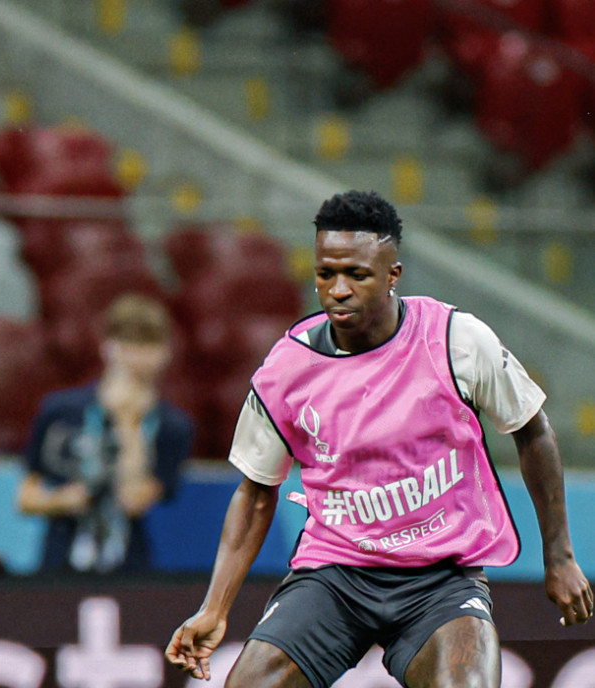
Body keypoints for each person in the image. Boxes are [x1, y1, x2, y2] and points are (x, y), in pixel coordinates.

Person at [166, 190, 593, 687]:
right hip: (335, 575)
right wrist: (215, 608)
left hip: (440, 579)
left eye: (358, 275)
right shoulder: (285, 370)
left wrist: (559, 556)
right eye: (327, 274)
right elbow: (257, 492)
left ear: (393, 275)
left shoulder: (457, 340)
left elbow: (533, 431)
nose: (339, 290)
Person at [19, 294, 194, 573]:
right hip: (59, 562)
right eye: (127, 344)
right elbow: (25, 498)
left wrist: (127, 423)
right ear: (107, 347)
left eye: (148, 345)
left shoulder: (173, 426)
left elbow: (133, 500)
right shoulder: (59, 410)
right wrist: (61, 500)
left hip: (128, 566)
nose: (136, 356)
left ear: (165, 352)